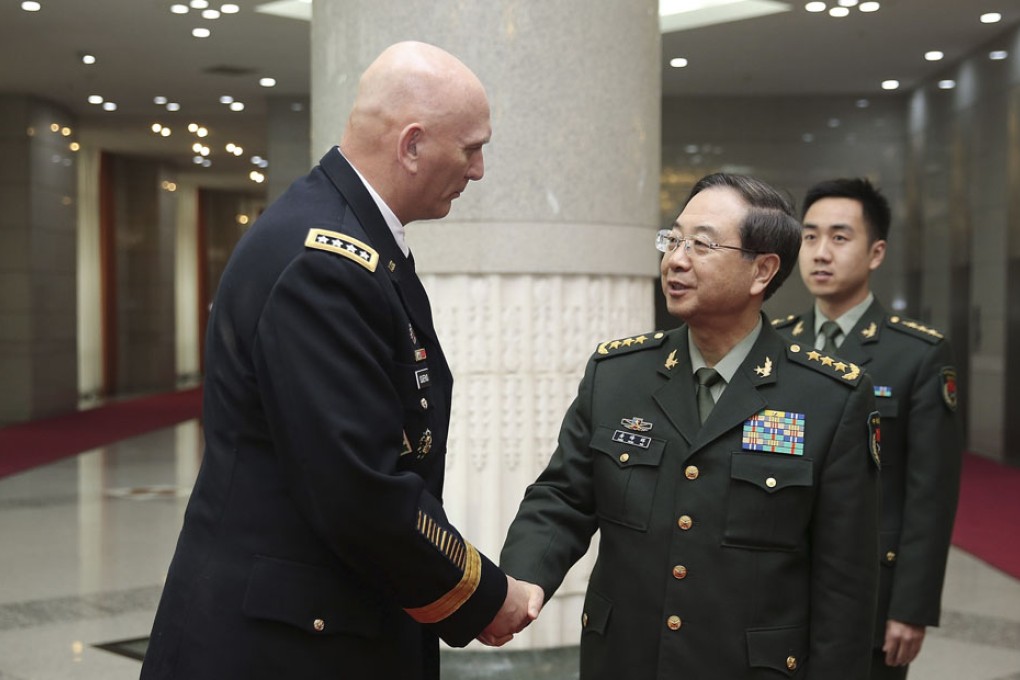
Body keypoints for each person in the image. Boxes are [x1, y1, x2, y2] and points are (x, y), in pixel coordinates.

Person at [140, 41, 541, 680]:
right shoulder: (324, 265)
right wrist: (486, 597)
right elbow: (359, 490)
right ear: (411, 145)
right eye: (471, 147)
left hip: (318, 619)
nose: (479, 170)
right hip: (284, 644)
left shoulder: (351, 236)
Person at [499, 173, 881, 679]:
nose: (675, 259)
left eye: (701, 244)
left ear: (762, 271)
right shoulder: (618, 375)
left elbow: (845, 586)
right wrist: (521, 580)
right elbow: (563, 496)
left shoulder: (829, 398)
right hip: (624, 660)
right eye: (673, 239)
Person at [772, 177, 962, 679]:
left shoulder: (917, 355)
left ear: (875, 253)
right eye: (809, 237)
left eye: (839, 237)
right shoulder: (776, 345)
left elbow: (931, 494)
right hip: (778, 579)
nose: (819, 253)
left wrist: (912, 606)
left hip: (871, 588)